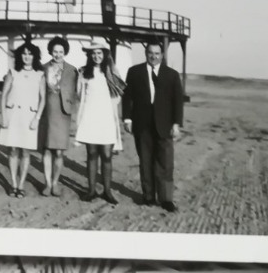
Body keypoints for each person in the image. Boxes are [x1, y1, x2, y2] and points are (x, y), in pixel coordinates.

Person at [121, 41, 184, 212]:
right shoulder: (134, 72)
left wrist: (176, 124)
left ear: (162, 55)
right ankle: (148, 196)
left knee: (165, 163)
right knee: (146, 161)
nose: (153, 56)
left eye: (157, 53)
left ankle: (166, 199)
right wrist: (127, 119)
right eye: (150, 52)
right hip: (142, 124)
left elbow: (177, 101)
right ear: (145, 53)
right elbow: (128, 97)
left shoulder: (171, 75)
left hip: (165, 125)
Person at [74, 44, 123, 204]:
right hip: (90, 116)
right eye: (93, 53)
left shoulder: (111, 72)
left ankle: (107, 191)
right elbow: (79, 94)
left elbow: (118, 94)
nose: (96, 56)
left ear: (105, 54)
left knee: (107, 156)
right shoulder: (83, 72)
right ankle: (91, 190)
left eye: (99, 53)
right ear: (89, 55)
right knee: (92, 154)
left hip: (106, 117)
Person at [0, 41, 43, 198]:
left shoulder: (40, 74)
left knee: (26, 151)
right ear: (19, 55)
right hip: (13, 115)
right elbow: (3, 95)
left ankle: (21, 184)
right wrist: (4, 116)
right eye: (24, 53)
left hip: (29, 117)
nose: (27, 57)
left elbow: (43, 99)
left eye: (30, 54)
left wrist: (37, 118)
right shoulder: (12, 72)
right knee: (13, 150)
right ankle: (13, 184)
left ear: (35, 56)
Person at [38, 37, 77, 196]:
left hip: (63, 113)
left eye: (61, 51)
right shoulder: (42, 68)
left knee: (59, 151)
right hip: (47, 111)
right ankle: (47, 183)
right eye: (55, 51)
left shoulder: (72, 70)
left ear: (65, 52)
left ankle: (55, 182)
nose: (58, 54)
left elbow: (78, 90)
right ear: (50, 51)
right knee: (47, 150)